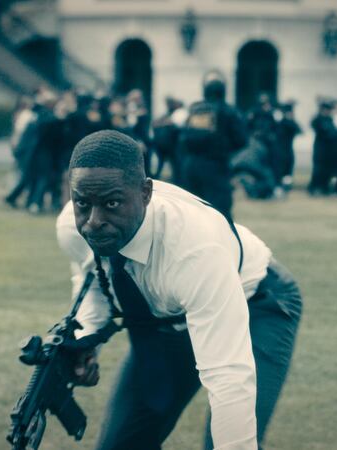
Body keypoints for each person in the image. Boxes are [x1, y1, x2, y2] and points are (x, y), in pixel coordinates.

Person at [56, 130, 302, 450]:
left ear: (146, 192)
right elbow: (94, 279)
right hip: (169, 321)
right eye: (83, 203)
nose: (93, 221)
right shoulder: (72, 228)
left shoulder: (195, 252)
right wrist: (87, 337)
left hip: (258, 302)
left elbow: (228, 376)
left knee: (228, 440)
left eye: (112, 203)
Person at [178, 71, 248, 220]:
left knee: (193, 210)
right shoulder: (228, 111)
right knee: (220, 212)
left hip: (190, 165)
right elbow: (241, 140)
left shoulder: (196, 109)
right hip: (216, 165)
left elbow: (183, 136)